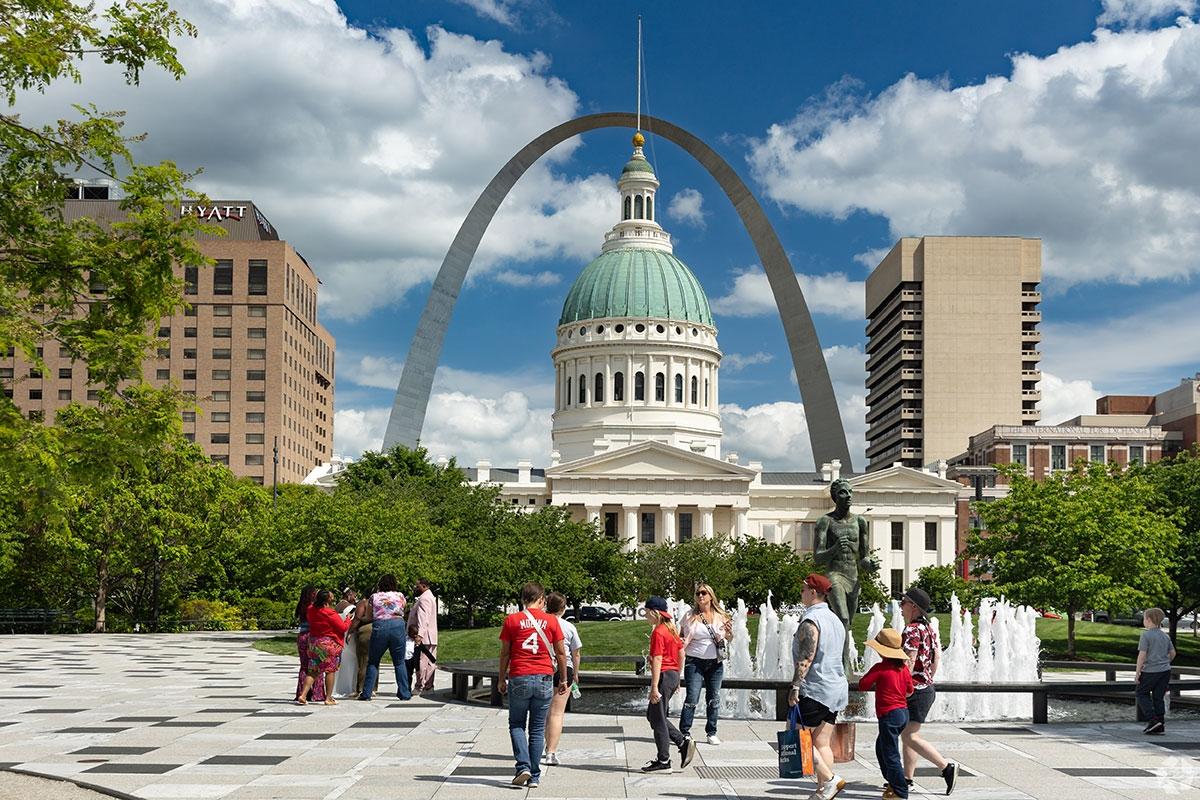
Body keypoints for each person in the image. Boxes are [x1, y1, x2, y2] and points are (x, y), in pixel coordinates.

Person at [499, 581, 568, 789]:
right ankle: (535, 776)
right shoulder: (551, 621)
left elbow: (505, 653)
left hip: (519, 676)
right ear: (542, 599)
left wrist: (501, 678)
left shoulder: (512, 620)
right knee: (537, 729)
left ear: (523, 599)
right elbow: (561, 653)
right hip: (545, 677)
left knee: (517, 724)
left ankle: (523, 767)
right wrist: (563, 678)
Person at [788, 573, 848, 800]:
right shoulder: (835, 620)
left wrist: (795, 687)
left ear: (813, 593)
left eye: (803, 589)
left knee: (795, 737)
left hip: (815, 688)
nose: (801, 593)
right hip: (835, 689)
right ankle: (823, 791)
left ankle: (831, 780)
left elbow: (806, 657)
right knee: (822, 742)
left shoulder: (811, 621)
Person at [898, 587, 958, 795]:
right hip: (926, 688)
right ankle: (907, 779)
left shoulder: (912, 630)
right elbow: (936, 658)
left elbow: (909, 661)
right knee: (909, 734)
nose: (901, 607)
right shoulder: (929, 628)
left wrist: (904, 687)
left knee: (909, 736)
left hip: (913, 690)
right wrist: (927, 678)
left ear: (913, 607)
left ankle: (946, 767)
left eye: (903, 603)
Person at [641, 595, 697, 773]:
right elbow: (682, 654)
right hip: (672, 676)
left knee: (657, 719)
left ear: (653, 612)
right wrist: (678, 677)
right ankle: (682, 742)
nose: (645, 616)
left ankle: (664, 760)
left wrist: (654, 686)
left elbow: (657, 659)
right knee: (654, 715)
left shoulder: (658, 632)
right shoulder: (671, 630)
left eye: (646, 612)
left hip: (664, 677)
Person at [859, 629, 915, 800]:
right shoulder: (903, 669)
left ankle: (900, 791)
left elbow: (863, 685)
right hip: (903, 714)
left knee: (890, 754)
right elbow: (910, 690)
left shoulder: (880, 668)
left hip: (889, 715)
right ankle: (892, 780)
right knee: (881, 747)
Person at [679, 582, 732, 745]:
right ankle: (684, 732)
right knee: (692, 698)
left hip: (715, 662)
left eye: (703, 593)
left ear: (710, 596)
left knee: (713, 698)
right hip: (694, 662)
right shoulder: (689, 615)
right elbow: (680, 635)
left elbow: (729, 638)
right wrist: (681, 642)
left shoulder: (721, 615)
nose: (700, 596)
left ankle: (711, 732)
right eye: (697, 594)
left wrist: (729, 633)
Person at [542, 592, 583, 766]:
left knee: (543, 712)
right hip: (563, 669)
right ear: (563, 608)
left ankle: (540, 747)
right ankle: (551, 752)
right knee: (557, 713)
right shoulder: (568, 627)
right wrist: (575, 674)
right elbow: (576, 653)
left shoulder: (540, 623)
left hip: (542, 667)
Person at [358, 574, 412, 702]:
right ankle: (404, 693)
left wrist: (359, 620)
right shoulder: (400, 596)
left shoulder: (374, 597)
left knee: (373, 661)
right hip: (398, 626)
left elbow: (369, 616)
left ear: (380, 584)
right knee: (399, 662)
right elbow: (403, 609)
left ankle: (366, 693)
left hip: (380, 627)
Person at [297, 589, 352, 705]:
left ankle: (303, 695)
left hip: (314, 644)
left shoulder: (311, 610)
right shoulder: (329, 613)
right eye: (331, 596)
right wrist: (348, 620)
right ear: (327, 600)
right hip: (328, 644)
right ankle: (328, 698)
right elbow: (342, 628)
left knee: (313, 671)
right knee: (330, 670)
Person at [1136, 607, 1176, 735]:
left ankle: (1153, 720)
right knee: (1158, 697)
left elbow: (1142, 655)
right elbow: (1173, 653)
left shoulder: (1146, 635)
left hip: (1150, 671)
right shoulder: (1165, 636)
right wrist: (1165, 662)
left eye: (1144, 618)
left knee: (1141, 693)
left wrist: (1138, 672)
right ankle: (1161, 724)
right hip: (1165, 671)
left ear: (1148, 620)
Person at [293, 586, 325, 704]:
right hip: (312, 637)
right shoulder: (313, 607)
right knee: (316, 665)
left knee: (304, 666)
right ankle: (317, 693)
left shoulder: (301, 606)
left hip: (302, 636)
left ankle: (302, 692)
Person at [408, 578, 439, 693]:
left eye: (417, 586)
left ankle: (421, 686)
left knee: (421, 662)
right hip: (430, 636)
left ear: (424, 586)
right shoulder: (430, 597)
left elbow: (423, 619)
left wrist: (420, 635)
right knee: (430, 662)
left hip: (425, 637)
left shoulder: (424, 599)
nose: (416, 588)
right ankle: (428, 686)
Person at [332, 588, 359, 697]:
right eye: (354, 596)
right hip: (349, 637)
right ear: (349, 595)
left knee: (341, 662)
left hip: (339, 636)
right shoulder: (351, 608)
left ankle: (337, 687)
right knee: (351, 662)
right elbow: (353, 622)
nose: (355, 598)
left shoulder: (337, 606)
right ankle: (348, 687)